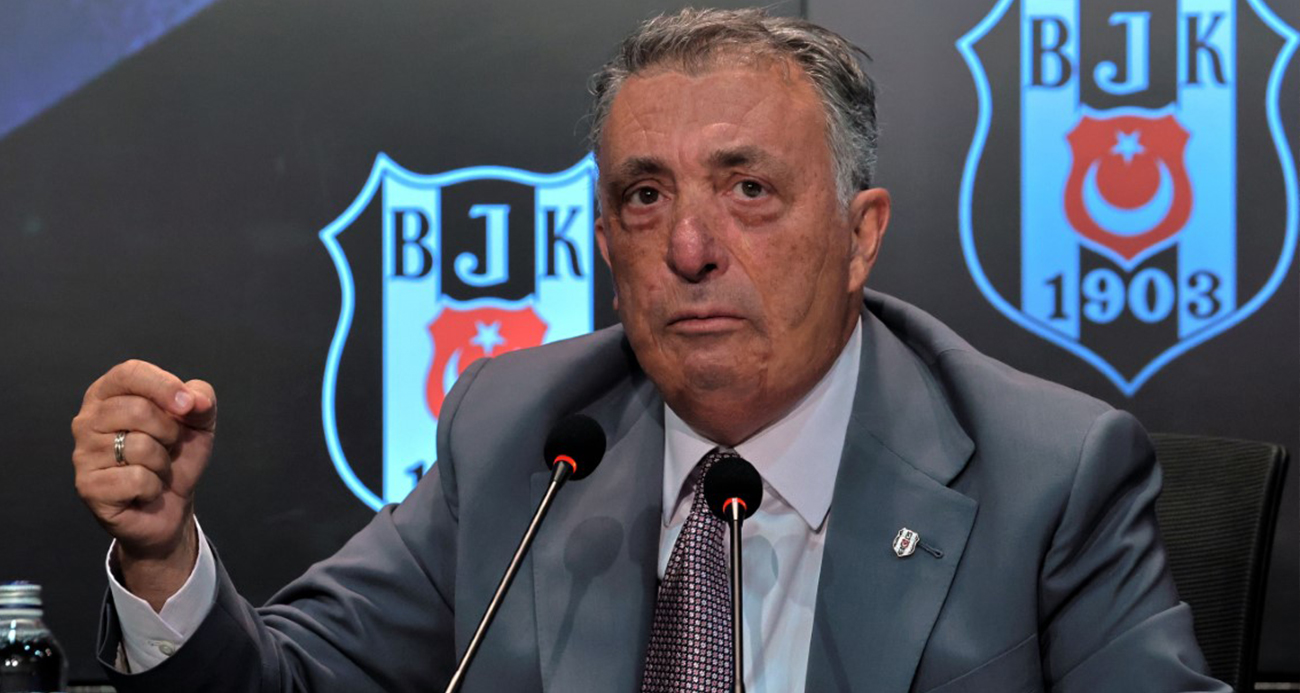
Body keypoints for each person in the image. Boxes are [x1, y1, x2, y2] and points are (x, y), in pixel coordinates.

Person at [70, 8, 1228, 692]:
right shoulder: (521, 434)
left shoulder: (1047, 470)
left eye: (748, 190)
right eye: (643, 196)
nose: (688, 247)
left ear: (859, 235)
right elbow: (290, 682)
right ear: (606, 245)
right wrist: (165, 559)